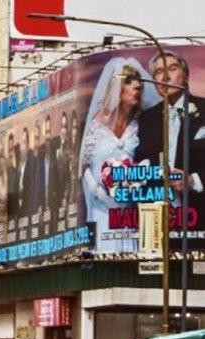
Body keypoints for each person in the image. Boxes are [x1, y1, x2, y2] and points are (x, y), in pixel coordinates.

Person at [80, 57, 160, 253]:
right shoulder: (96, 125)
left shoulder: (141, 125)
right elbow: (82, 168)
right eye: (129, 81)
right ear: (116, 86)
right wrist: (100, 193)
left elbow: (148, 161)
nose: (138, 86)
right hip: (101, 211)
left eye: (139, 81)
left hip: (130, 215)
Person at [136, 51, 205, 224]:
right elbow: (142, 157)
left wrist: (192, 180)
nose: (165, 76)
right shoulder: (148, 118)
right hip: (158, 215)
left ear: (185, 76)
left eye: (172, 69)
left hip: (199, 212)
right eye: (159, 72)